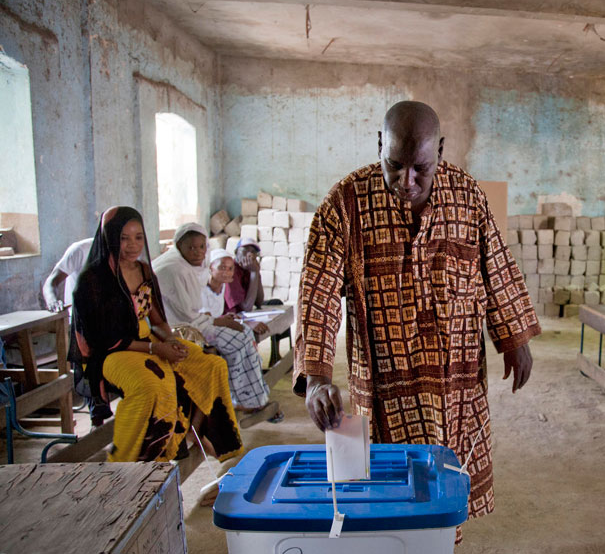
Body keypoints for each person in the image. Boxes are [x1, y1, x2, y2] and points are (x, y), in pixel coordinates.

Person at [293, 101, 540, 535]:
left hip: (456, 377)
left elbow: (496, 263)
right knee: (393, 493)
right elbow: (318, 290)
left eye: (420, 169)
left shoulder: (468, 196)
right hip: (388, 381)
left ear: (441, 151)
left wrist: (514, 335)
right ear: (379, 146)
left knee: (446, 484)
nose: (406, 182)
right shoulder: (344, 203)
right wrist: (315, 376)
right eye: (394, 166)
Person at [70, 207, 242, 464]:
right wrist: (156, 350)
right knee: (154, 384)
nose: (132, 245)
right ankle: (130, 463)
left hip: (149, 342)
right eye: (124, 238)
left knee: (210, 365)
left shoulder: (143, 270)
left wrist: (171, 341)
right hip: (112, 353)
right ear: (109, 237)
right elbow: (103, 340)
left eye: (138, 237)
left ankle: (209, 446)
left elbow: (158, 320)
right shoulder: (92, 280)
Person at [153, 225, 274, 414]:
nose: (198, 252)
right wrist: (218, 321)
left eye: (202, 247)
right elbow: (188, 316)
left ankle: (255, 399)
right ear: (178, 246)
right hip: (178, 329)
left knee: (245, 335)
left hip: (195, 323)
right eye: (191, 247)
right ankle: (239, 399)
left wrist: (218, 320)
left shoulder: (191, 268)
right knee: (238, 341)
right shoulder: (174, 270)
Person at [42, 237, 94, 312]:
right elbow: (51, 282)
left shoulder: (115, 255)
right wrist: (52, 301)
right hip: (78, 318)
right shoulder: (81, 249)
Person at [224, 238, 265, 314]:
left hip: (245, 310)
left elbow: (259, 302)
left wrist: (257, 272)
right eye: (244, 251)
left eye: (253, 252)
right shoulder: (231, 270)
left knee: (277, 303)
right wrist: (254, 273)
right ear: (236, 253)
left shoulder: (250, 267)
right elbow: (246, 308)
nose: (249, 255)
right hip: (232, 315)